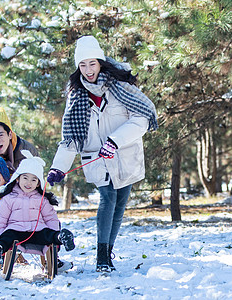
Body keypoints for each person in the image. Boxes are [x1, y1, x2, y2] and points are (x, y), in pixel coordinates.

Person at [47, 35, 158, 273]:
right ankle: (101, 257)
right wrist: (59, 167)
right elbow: (71, 138)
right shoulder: (76, 97)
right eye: (82, 65)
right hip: (96, 159)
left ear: (100, 62)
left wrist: (115, 141)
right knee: (107, 199)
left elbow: (142, 119)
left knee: (119, 206)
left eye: (92, 63)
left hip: (124, 156)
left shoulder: (121, 88)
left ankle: (108, 251)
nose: (88, 70)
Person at [0, 150, 75, 265]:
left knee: (48, 234)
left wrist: (54, 236)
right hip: (16, 231)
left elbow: (50, 218)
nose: (29, 183)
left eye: (33, 179)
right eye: (25, 178)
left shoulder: (41, 199)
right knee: (7, 236)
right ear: (17, 178)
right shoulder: (9, 198)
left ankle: (61, 237)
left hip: (36, 231)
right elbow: (0, 220)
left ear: (38, 183)